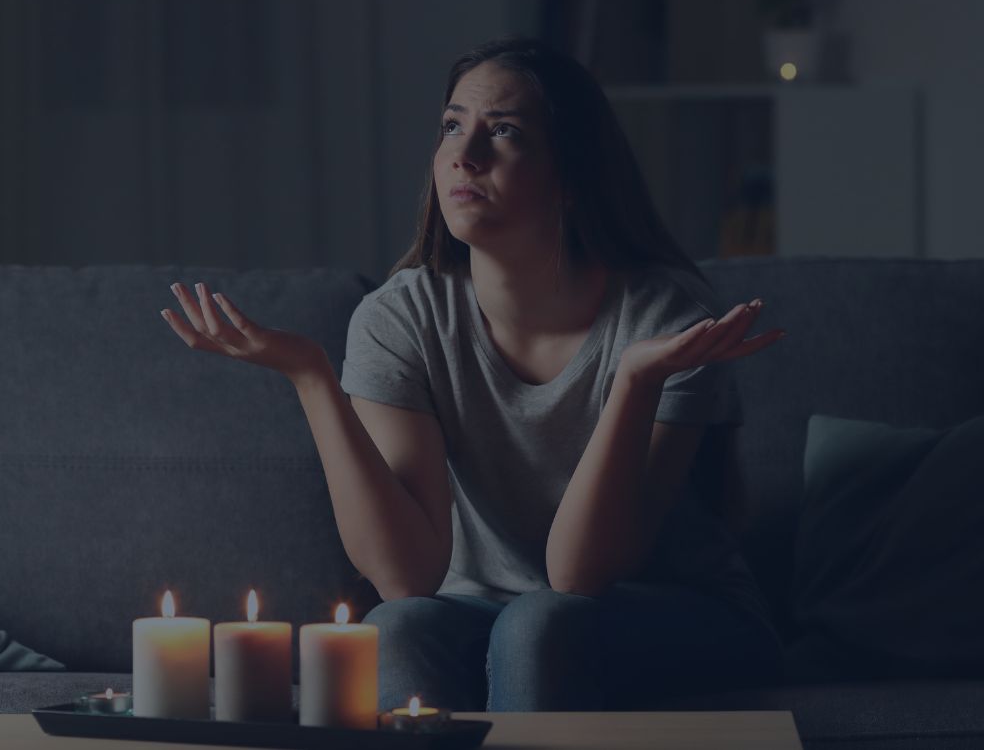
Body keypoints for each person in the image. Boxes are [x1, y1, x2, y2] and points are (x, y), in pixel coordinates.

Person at [160, 36, 787, 712]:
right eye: (453, 125)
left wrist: (633, 384)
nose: (466, 153)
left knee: (541, 624)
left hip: (676, 614)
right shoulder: (401, 317)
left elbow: (581, 575)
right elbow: (407, 576)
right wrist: (311, 377)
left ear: (572, 176)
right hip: (484, 612)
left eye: (506, 132)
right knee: (393, 630)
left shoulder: (664, 317)